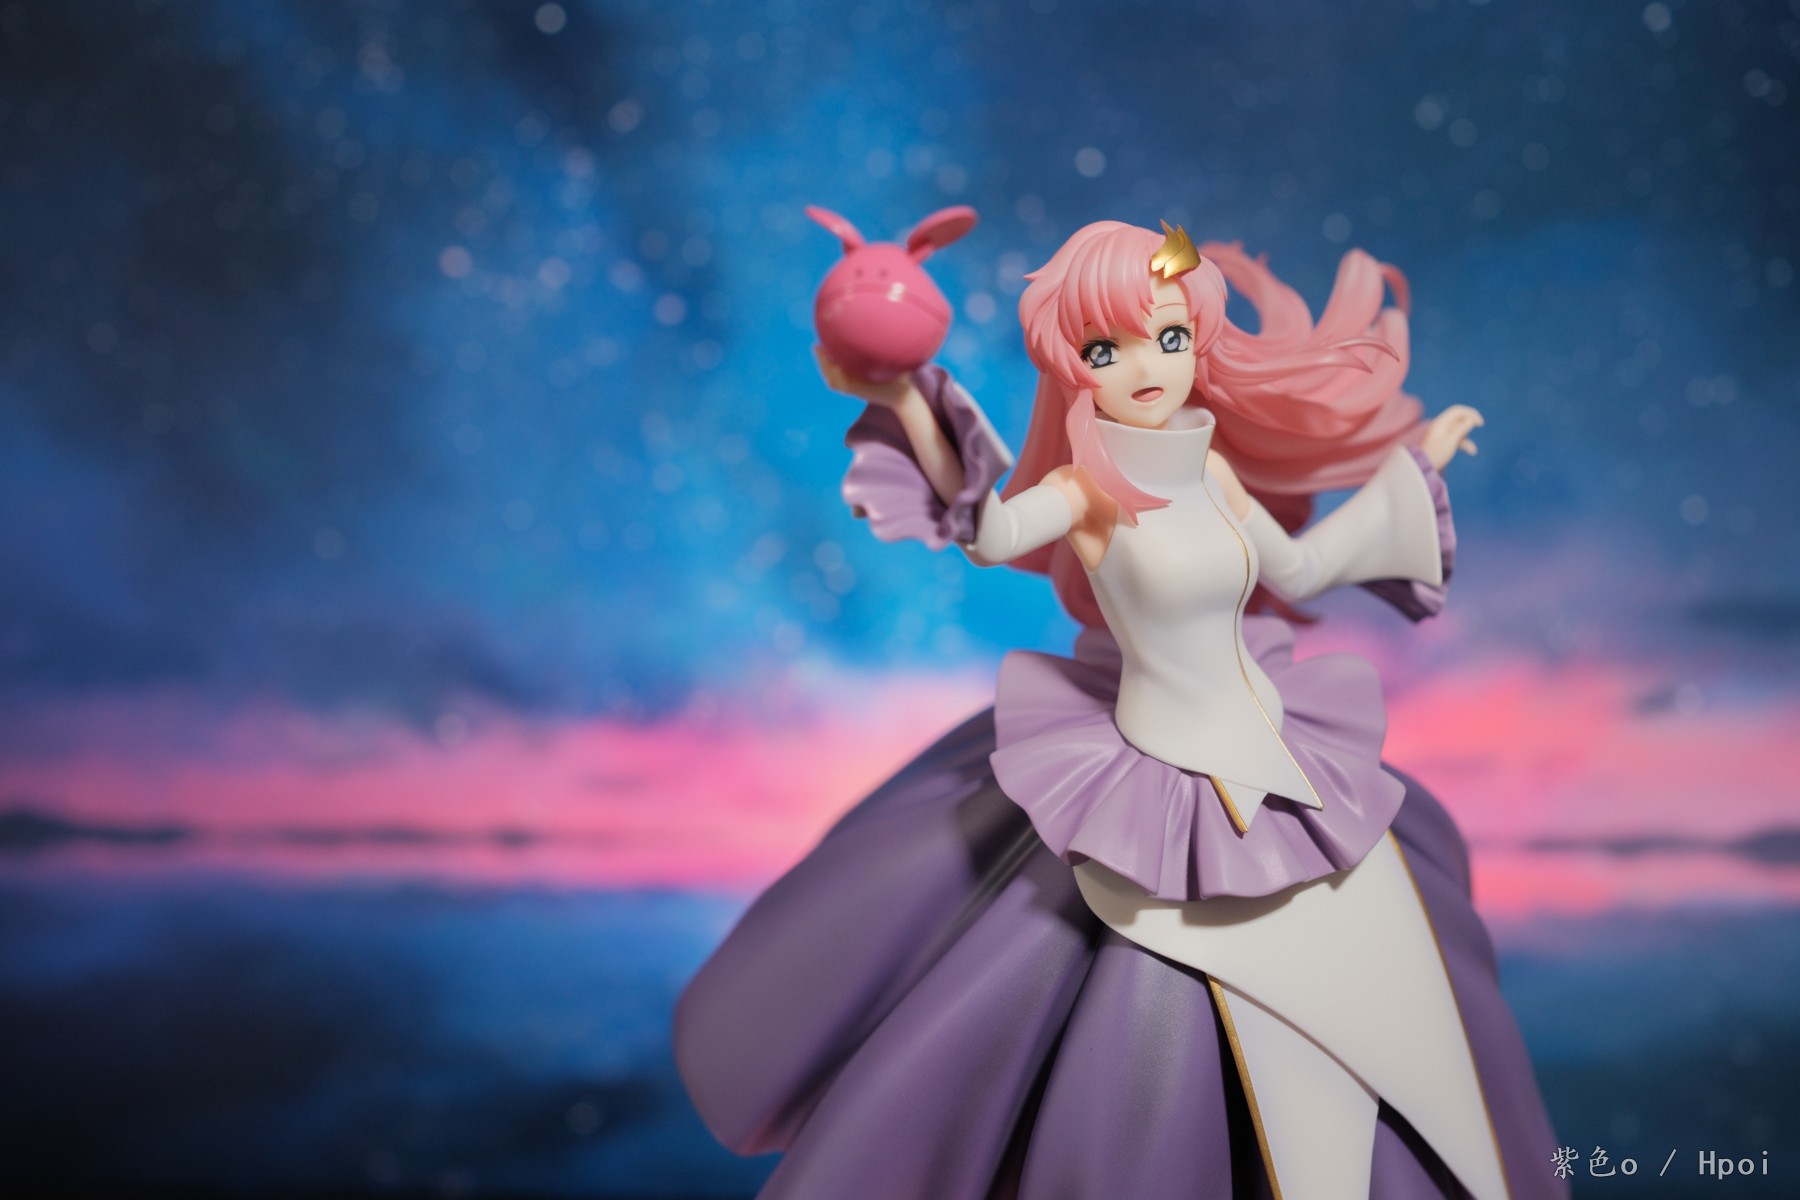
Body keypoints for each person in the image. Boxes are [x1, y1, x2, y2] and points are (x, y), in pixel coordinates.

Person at [675, 219, 1565, 1200]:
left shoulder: (1211, 471)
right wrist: (907, 401)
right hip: (1158, 789)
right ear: (1073, 364)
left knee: (1408, 1037)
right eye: (1107, 350)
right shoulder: (1086, 490)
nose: (1146, 367)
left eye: (1170, 338)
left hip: (1286, 769)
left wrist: (1410, 477)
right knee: (1180, 1039)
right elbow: (990, 531)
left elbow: (1303, 568)